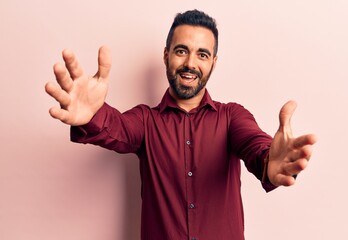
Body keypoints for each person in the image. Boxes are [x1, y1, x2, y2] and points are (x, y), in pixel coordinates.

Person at [45, 9, 317, 240]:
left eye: (202, 54)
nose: (190, 63)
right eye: (181, 51)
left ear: (213, 62)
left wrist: (272, 162)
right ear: (166, 55)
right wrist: (92, 114)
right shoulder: (145, 121)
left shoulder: (232, 117)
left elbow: (255, 146)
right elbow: (115, 128)